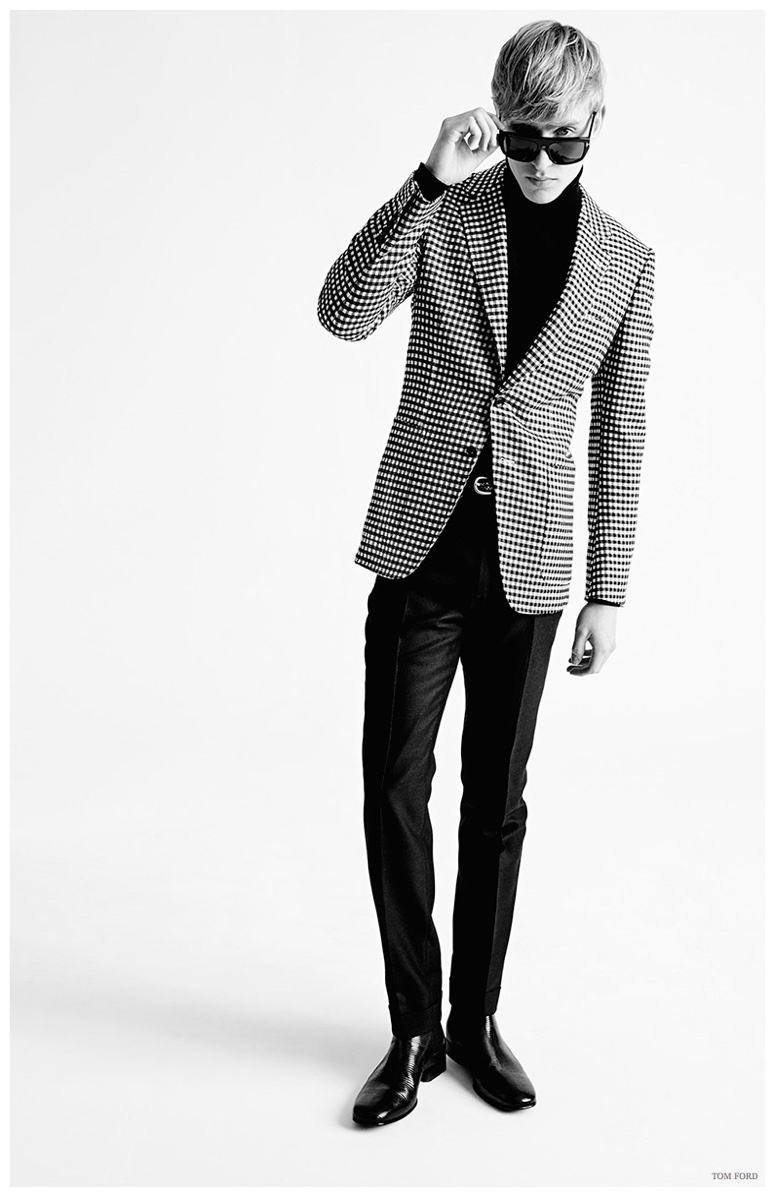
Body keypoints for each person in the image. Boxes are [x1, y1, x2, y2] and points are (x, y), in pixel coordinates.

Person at [317, 19, 655, 1127]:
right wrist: (424, 179)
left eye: (564, 141)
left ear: (596, 124)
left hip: (532, 568)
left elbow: (618, 429)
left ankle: (475, 1020)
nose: (541, 160)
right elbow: (341, 314)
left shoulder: (625, 261)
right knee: (392, 787)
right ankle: (410, 1027)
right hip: (420, 553)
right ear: (494, 121)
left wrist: (607, 586)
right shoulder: (448, 210)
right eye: (521, 138)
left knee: (495, 804)